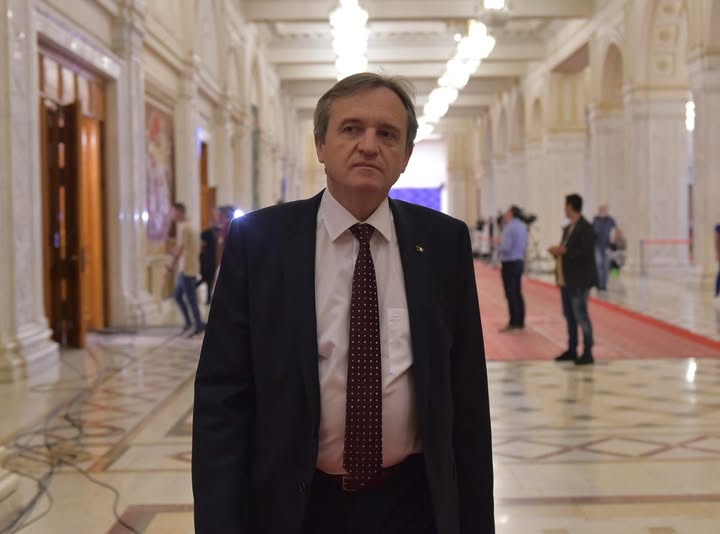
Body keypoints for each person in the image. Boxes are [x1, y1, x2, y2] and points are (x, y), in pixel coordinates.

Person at [192, 73, 495, 534]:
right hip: (296, 508)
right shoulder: (260, 242)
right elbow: (222, 399)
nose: (369, 146)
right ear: (320, 143)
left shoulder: (442, 242)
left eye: (387, 134)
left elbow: (467, 399)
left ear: (406, 156)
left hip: (414, 506)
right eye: (351, 128)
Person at [549, 194, 598, 365]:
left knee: (581, 316)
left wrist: (565, 251)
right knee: (569, 316)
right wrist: (558, 252)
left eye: (565, 206)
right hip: (567, 280)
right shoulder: (569, 228)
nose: (564, 209)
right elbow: (567, 250)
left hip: (579, 281)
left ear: (570, 207)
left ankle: (587, 352)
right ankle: (572, 349)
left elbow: (586, 253)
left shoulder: (585, 228)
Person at [166, 202, 205, 337]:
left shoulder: (184, 229)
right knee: (178, 295)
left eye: (173, 212)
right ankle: (190, 322)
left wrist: (170, 267)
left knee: (191, 299)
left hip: (187, 269)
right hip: (190, 267)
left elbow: (180, 249)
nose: (171, 215)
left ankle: (198, 324)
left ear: (179, 212)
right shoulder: (192, 226)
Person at [497, 205, 528, 332]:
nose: (504, 214)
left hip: (509, 263)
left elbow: (506, 247)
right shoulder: (523, 226)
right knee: (518, 292)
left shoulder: (509, 227)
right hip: (519, 261)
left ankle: (513, 322)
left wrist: (497, 246)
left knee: (511, 293)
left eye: (507, 212)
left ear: (511, 213)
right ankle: (520, 321)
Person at [592, 205, 616, 290]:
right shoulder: (595, 219)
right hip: (597, 246)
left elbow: (615, 230)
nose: (602, 212)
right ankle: (599, 283)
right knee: (599, 265)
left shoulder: (610, 220)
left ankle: (604, 284)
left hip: (607, 246)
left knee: (606, 266)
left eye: (604, 210)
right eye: (601, 210)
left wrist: (613, 239)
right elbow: (592, 231)